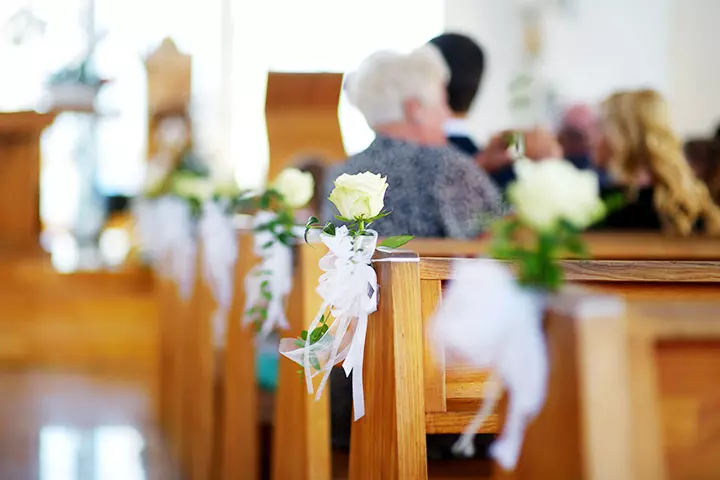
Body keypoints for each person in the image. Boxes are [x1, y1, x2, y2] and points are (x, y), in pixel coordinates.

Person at [322, 46, 505, 238]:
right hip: (434, 269)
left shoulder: (341, 175)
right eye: (443, 103)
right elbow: (501, 238)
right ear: (415, 109)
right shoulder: (447, 167)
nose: (447, 115)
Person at [591, 89, 720, 235]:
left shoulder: (612, 207)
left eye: (600, 127)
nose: (592, 138)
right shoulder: (693, 202)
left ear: (620, 136)